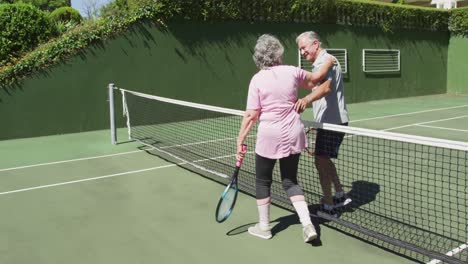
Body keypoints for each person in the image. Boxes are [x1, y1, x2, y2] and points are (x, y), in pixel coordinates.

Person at [236, 34, 335, 242]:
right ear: (278, 53)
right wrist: (328, 62)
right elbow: (316, 80)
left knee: (263, 181)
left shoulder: (257, 79)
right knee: (290, 181)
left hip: (269, 135)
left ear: (259, 57)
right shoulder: (291, 71)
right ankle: (308, 225)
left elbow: (251, 115)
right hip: (293, 132)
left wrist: (240, 139)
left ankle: (264, 228)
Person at [294, 31, 351, 217]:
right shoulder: (325, 61)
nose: (302, 53)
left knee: (320, 161)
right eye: (300, 49)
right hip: (329, 122)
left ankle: (329, 207)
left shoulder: (325, 61)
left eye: (304, 48)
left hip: (333, 122)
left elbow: (325, 88)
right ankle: (340, 194)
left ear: (315, 44)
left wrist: (306, 100)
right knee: (323, 160)